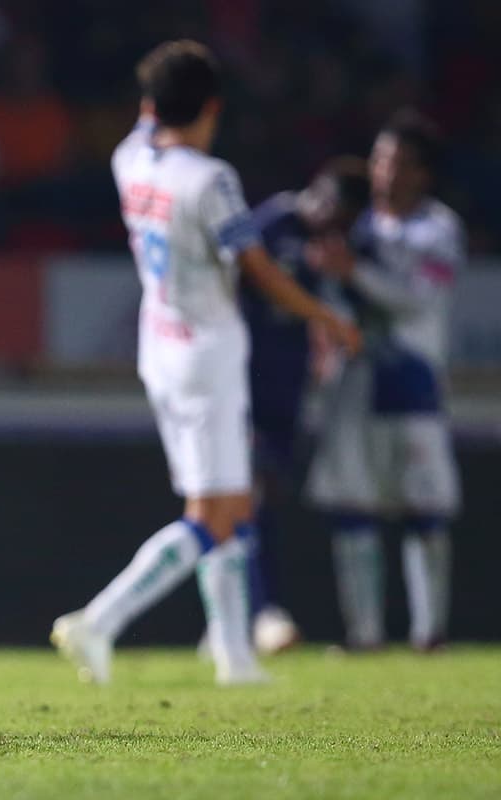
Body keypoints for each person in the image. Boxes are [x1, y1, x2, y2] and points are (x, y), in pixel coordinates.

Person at [51, 40, 360, 685]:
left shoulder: (129, 158)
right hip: (206, 353)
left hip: (159, 346)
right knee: (213, 515)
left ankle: (234, 656)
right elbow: (260, 272)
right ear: (213, 107)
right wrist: (328, 318)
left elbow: (147, 118)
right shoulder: (210, 179)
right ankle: (100, 621)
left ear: (150, 104)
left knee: (232, 501)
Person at [306, 110, 462, 652]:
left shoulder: (437, 231)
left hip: (413, 383)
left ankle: (428, 632)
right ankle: (365, 635)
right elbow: (326, 296)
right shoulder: (353, 224)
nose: (383, 172)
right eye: (378, 158)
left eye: (395, 161)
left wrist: (356, 273)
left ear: (421, 172)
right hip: (355, 382)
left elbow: (418, 298)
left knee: (424, 508)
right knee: (354, 507)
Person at [239, 157, 371, 653]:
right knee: (243, 495)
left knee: (266, 496)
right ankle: (260, 611)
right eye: (328, 207)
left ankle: (244, 614)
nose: (327, 222)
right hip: (245, 379)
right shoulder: (273, 221)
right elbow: (239, 282)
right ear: (317, 190)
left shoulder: (333, 248)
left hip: (288, 383)